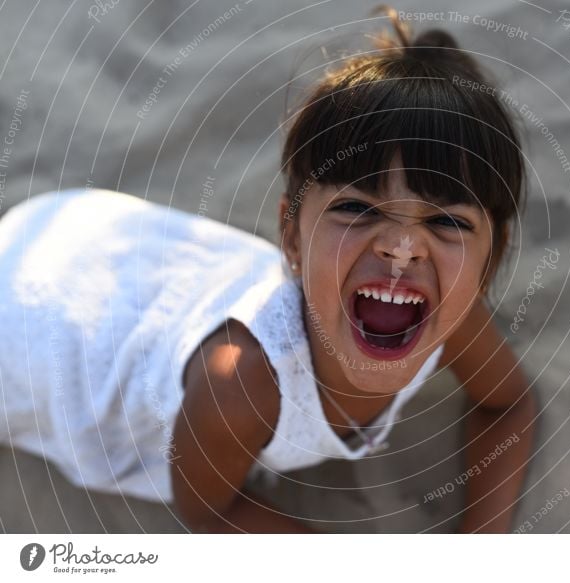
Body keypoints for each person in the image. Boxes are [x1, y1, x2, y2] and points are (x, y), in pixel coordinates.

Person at [0, 7, 537, 533]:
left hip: (120, 252)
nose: (401, 249)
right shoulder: (239, 385)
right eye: (356, 208)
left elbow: (509, 405)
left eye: (447, 222)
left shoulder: (454, 315)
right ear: (291, 234)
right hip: (30, 312)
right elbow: (209, 508)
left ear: (491, 256)